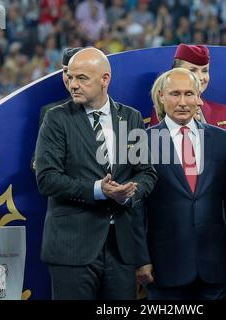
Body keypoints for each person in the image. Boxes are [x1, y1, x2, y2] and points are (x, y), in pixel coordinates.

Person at [35, 47, 157, 300]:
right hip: (71, 248)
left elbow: (146, 173)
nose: (73, 85)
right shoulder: (56, 119)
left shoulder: (131, 117)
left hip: (120, 249)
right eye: (70, 77)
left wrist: (128, 193)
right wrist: (98, 190)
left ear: (105, 80)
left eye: (82, 78)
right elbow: (47, 179)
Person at [135, 68, 226, 300]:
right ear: (161, 96)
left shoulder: (220, 138)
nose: (182, 102)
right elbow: (136, 209)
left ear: (199, 97)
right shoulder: (143, 141)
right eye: (175, 94)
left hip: (213, 267)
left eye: (189, 94)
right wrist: (140, 259)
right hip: (163, 268)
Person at [149, 44, 226, 142]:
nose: (200, 77)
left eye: (204, 71)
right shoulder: (165, 111)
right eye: (192, 70)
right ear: (176, 73)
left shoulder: (221, 111)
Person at [31, 47, 82, 171]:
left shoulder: (111, 111)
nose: (69, 77)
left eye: (77, 71)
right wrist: (39, 163)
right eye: (65, 71)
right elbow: (37, 158)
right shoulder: (50, 111)